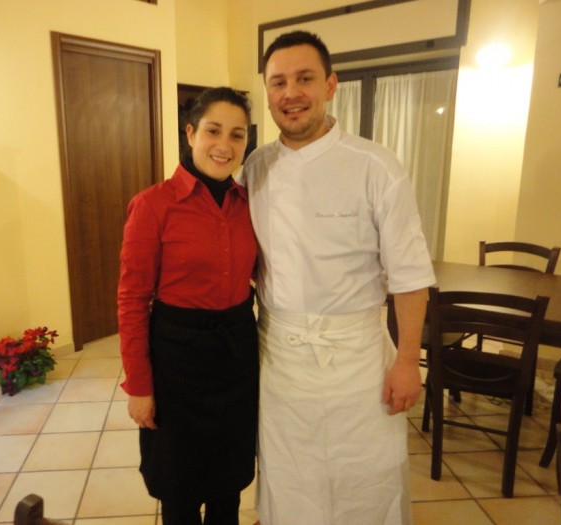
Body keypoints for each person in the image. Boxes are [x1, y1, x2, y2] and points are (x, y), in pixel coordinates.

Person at [243, 31, 436, 524]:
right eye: (278, 82)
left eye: (304, 79)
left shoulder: (376, 165)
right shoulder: (255, 167)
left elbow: (410, 275)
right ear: (267, 92)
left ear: (330, 85)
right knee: (290, 475)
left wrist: (408, 360)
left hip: (359, 358)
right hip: (280, 356)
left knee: (366, 475)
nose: (291, 93)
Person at [117, 87, 258, 525]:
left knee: (228, 484)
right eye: (213, 131)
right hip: (177, 361)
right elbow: (131, 300)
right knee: (178, 486)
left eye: (237, 135)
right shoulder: (153, 205)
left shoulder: (249, 203)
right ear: (191, 133)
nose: (224, 145)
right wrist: (140, 387)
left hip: (235, 355)